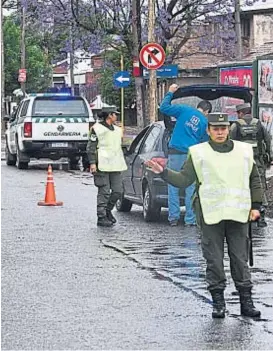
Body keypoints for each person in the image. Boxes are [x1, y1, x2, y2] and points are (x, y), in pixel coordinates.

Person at [145, 112, 262, 319]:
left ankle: (246, 302)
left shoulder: (244, 151)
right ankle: (218, 303)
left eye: (223, 128)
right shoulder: (199, 153)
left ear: (228, 130)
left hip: (238, 214)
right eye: (215, 129)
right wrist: (163, 172)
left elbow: (254, 179)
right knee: (214, 261)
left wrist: (257, 206)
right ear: (208, 131)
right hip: (210, 214)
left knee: (240, 260)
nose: (220, 132)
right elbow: (184, 179)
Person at [160, 83, 212, 227]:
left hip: (175, 153)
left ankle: (173, 218)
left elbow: (164, 108)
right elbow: (205, 144)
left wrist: (170, 93)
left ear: (198, 107)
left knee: (173, 186)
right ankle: (190, 219)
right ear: (207, 111)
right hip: (191, 156)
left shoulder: (184, 110)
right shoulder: (205, 122)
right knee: (191, 187)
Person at [230, 102, 272, 227]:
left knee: (242, 185)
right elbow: (268, 139)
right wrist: (269, 155)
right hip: (258, 161)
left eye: (238, 113)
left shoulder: (236, 126)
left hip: (241, 161)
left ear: (241, 113)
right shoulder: (259, 124)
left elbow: (230, 142)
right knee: (259, 185)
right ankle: (261, 215)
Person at [86, 110, 127, 227]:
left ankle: (108, 211)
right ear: (109, 116)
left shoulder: (118, 130)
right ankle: (101, 216)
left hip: (115, 165)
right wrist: (92, 163)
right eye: (115, 114)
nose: (117, 116)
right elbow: (91, 147)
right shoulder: (97, 129)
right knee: (104, 192)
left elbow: (120, 147)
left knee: (118, 191)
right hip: (102, 165)